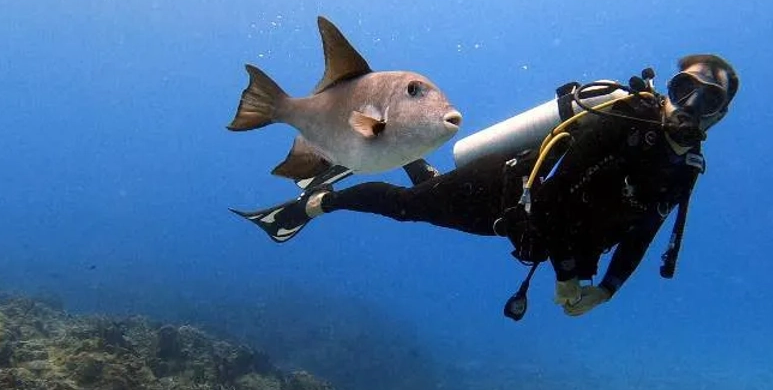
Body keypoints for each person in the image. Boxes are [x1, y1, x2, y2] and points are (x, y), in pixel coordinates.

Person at [233, 54, 739, 319]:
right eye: (682, 90)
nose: (689, 106)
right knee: (409, 207)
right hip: (499, 191)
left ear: (721, 115)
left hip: (525, 229)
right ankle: (319, 204)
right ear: (667, 91)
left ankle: (411, 153)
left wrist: (608, 288)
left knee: (429, 194)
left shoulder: (685, 167)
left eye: (708, 100)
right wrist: (568, 275)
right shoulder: (622, 121)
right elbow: (555, 198)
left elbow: (645, 229)